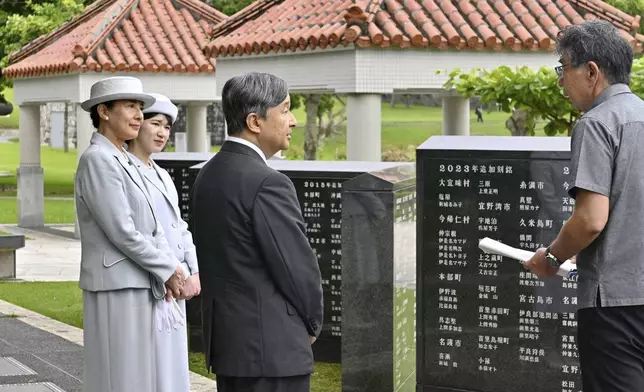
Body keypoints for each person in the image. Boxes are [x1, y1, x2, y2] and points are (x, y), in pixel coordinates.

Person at [524, 20, 644, 391]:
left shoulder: (596, 123)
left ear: (591, 71)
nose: (561, 80)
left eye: (564, 68)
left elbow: (591, 219)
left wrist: (553, 258)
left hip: (614, 305)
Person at [191, 72, 324, 392]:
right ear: (255, 121)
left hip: (231, 347)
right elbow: (296, 267)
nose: (293, 120)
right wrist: (312, 322)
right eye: (285, 109)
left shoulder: (207, 176)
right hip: (273, 349)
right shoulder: (268, 183)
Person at [75, 77, 186, 392]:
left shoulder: (125, 161)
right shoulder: (97, 160)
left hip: (137, 281)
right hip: (114, 285)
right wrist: (167, 269)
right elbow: (122, 231)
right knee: (118, 377)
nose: (139, 114)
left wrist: (170, 268)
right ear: (104, 111)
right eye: (130, 106)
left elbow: (153, 226)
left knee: (138, 378)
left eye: (140, 107)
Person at [126, 93, 202, 392]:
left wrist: (192, 271)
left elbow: (179, 227)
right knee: (150, 366)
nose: (161, 133)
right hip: (155, 282)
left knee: (172, 364)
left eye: (167, 127)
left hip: (176, 282)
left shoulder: (161, 174)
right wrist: (171, 272)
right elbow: (138, 233)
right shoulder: (126, 171)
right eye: (155, 123)